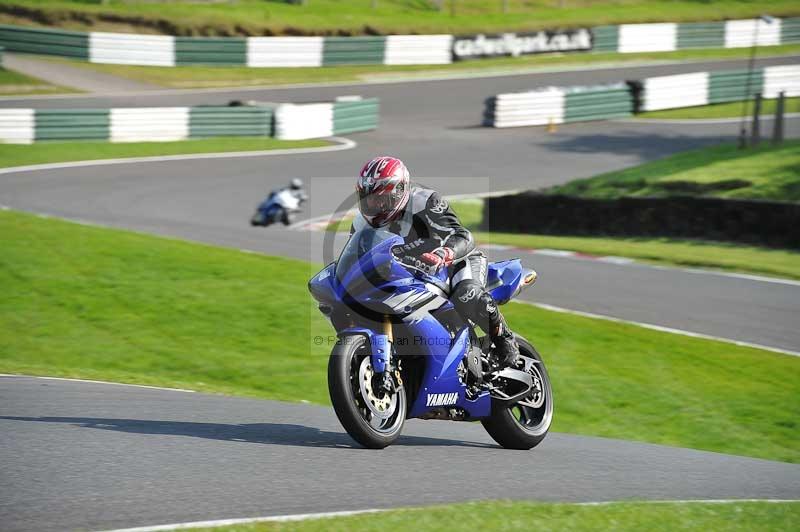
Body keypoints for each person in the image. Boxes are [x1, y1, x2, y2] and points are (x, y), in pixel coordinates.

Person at [352, 156, 519, 366]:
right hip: (411, 277)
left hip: (457, 263)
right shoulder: (361, 225)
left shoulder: (424, 201)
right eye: (369, 200)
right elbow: (357, 258)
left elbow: (463, 236)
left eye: (380, 199)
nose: (375, 205)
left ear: (399, 190)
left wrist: (443, 254)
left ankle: (505, 339)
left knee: (467, 295)